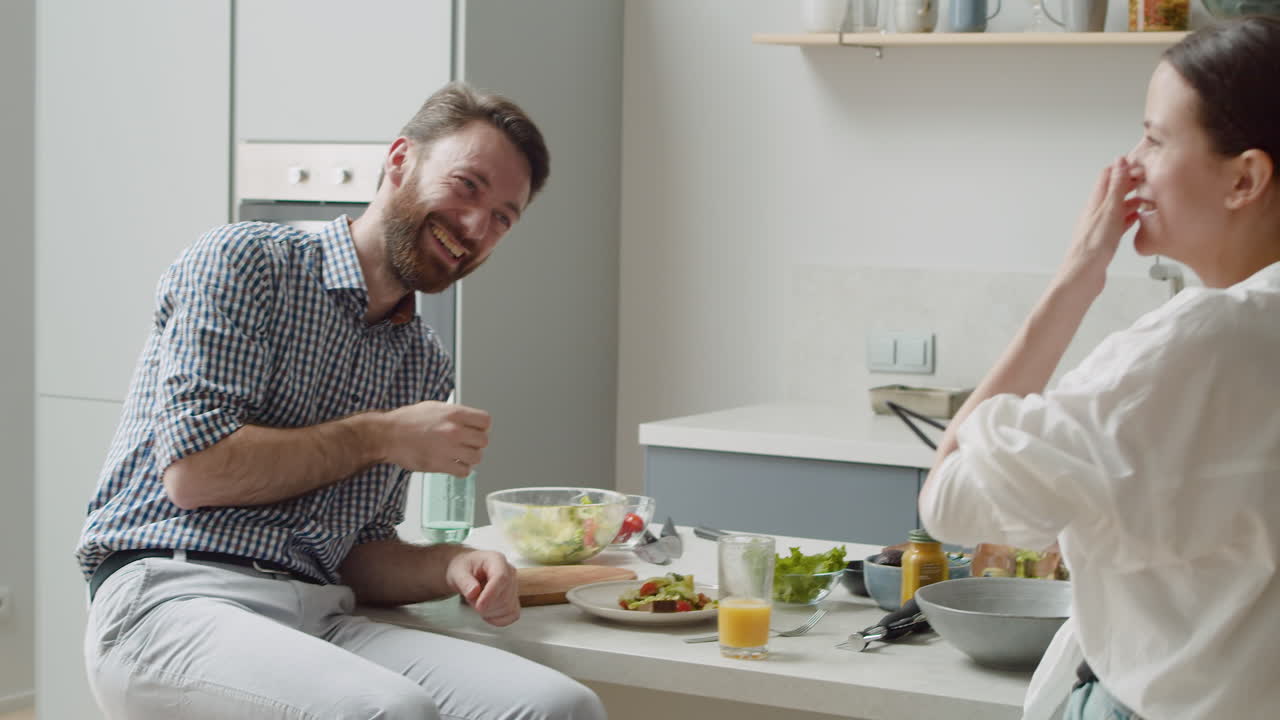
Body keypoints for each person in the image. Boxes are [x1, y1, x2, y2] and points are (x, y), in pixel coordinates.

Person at [76, 82, 607, 720]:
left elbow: (358, 552)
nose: (476, 226)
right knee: (388, 712)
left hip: (318, 612)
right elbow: (196, 472)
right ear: (399, 159)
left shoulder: (421, 364)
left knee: (558, 706)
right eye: (467, 185)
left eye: (503, 217)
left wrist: (453, 563)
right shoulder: (246, 263)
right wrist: (381, 436)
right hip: (169, 598)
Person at [918, 17, 1280, 720]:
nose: (1130, 164)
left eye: (1154, 137)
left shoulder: (1196, 339)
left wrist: (1076, 278)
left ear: (1246, 178)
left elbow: (949, 498)